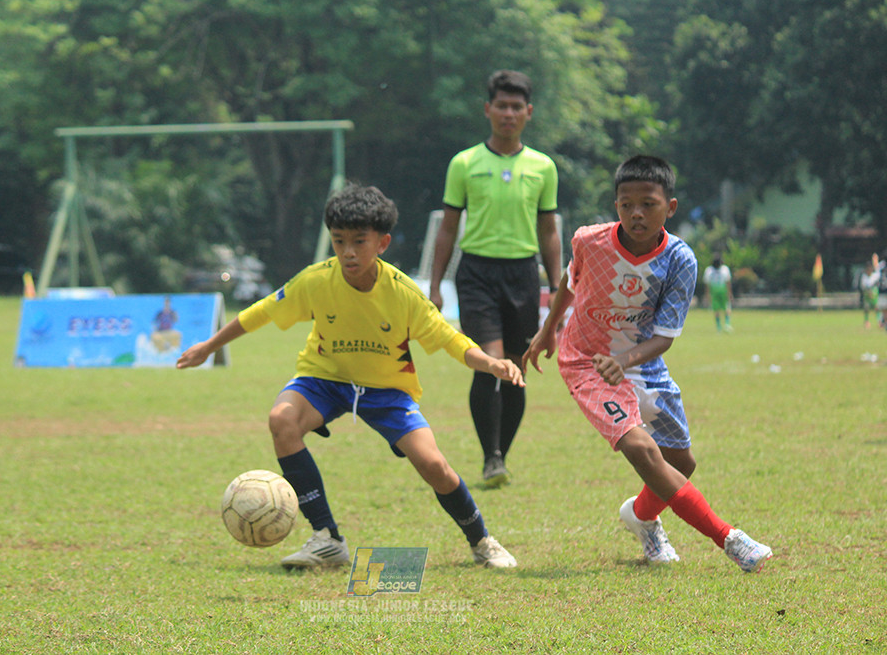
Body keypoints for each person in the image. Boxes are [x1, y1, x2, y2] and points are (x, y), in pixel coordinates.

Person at [178, 184, 521, 570]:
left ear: (383, 242)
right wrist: (209, 345)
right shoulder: (316, 280)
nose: (348, 252)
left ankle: (482, 542)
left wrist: (492, 363)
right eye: (339, 241)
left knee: (434, 466)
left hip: (388, 390)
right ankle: (327, 539)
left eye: (359, 241)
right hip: (324, 379)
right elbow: (260, 312)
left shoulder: (403, 293)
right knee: (282, 420)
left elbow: (450, 339)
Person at [523, 155, 772, 573]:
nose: (636, 213)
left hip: (642, 359)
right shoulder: (589, 241)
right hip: (587, 361)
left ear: (669, 207)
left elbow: (664, 337)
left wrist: (624, 360)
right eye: (626, 204)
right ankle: (730, 539)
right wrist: (549, 329)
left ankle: (640, 517)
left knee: (681, 462)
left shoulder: (680, 260)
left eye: (648, 204)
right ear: (616, 204)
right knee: (641, 449)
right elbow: (570, 279)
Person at [429, 69, 560, 488]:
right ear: (487, 110)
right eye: (501, 106)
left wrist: (557, 287)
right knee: (490, 364)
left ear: (528, 112)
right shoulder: (464, 163)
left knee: (519, 367)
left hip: (523, 274)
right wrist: (434, 284)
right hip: (477, 274)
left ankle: (501, 450)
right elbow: (448, 227)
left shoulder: (543, 167)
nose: (508, 113)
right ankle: (491, 457)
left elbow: (549, 231)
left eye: (516, 107)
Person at [703, 254, 733, 332]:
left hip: (720, 291)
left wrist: (729, 293)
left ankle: (725, 324)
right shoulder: (710, 270)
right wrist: (707, 295)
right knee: (719, 309)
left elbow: (727, 282)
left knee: (724, 308)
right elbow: (707, 284)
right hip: (717, 291)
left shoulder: (723, 269)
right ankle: (721, 326)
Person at [858, 257, 884, 330]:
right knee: (866, 308)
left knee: (877, 308)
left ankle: (880, 321)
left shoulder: (874, 276)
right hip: (867, 295)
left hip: (874, 294)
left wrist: (875, 261)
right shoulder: (864, 276)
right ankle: (866, 321)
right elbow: (863, 286)